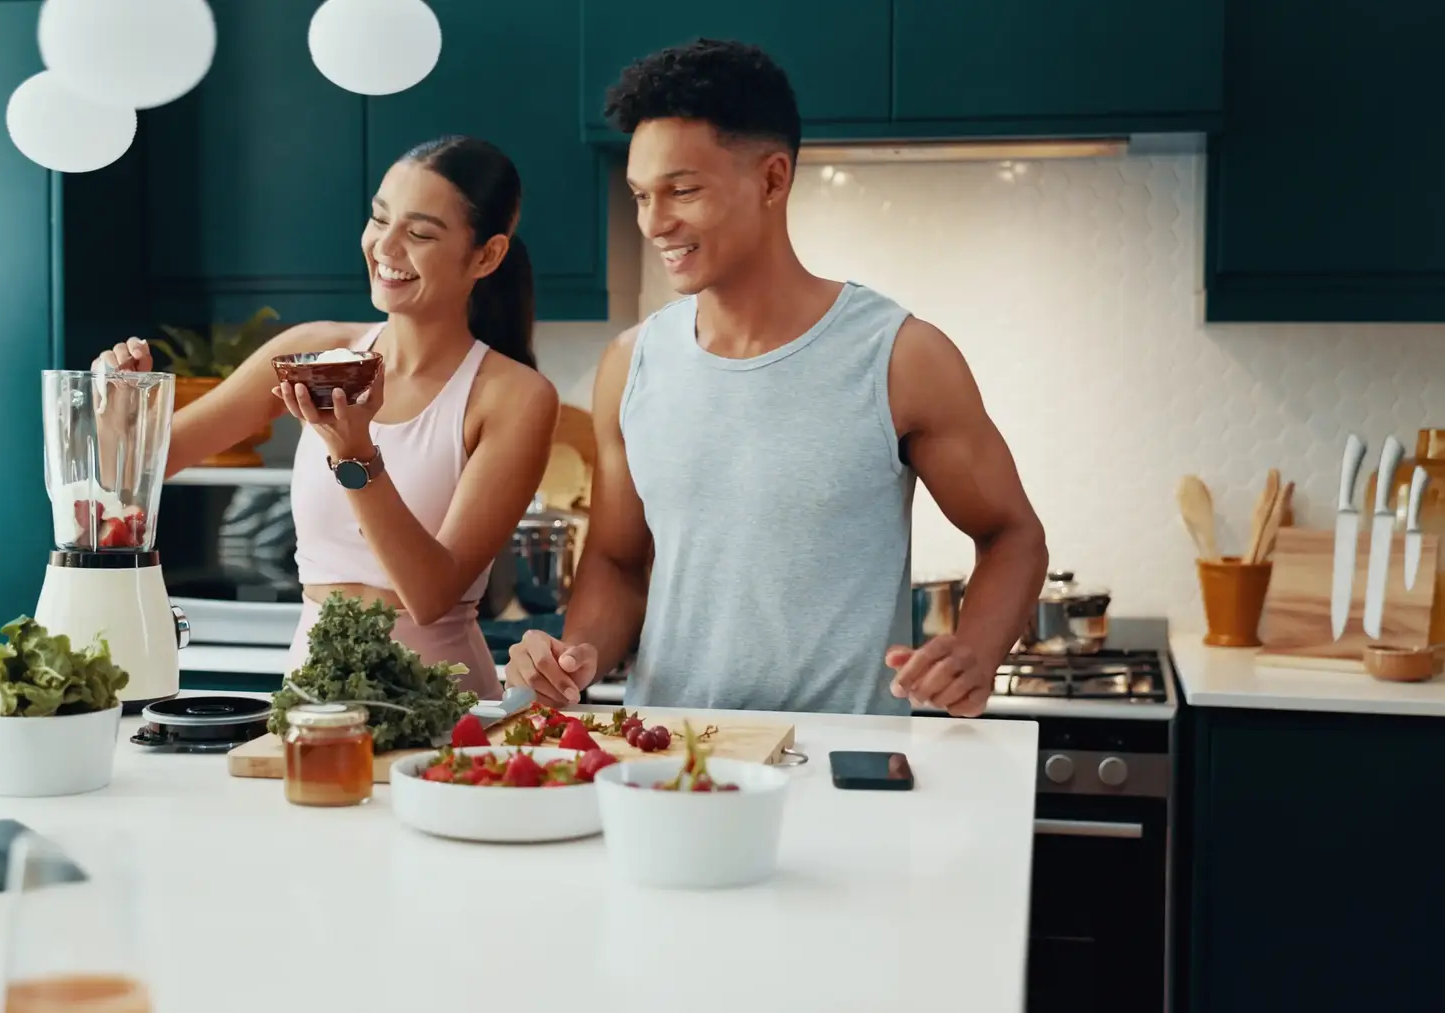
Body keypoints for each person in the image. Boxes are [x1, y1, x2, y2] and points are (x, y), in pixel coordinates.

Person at [504, 39, 1048, 718]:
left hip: (837, 771)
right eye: (642, 195)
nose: (654, 221)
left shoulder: (899, 356)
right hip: (672, 765)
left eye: (683, 190)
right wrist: (574, 655)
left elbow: (1012, 533)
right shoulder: (631, 365)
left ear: (772, 179)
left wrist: (977, 647)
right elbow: (618, 565)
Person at [98, 135, 560, 702]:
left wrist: (354, 456)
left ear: (486, 256)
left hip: (439, 701)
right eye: (378, 219)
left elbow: (431, 594)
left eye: (419, 233)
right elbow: (137, 474)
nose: (385, 247)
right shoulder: (309, 352)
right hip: (311, 695)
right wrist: (117, 410)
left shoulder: (514, 397)